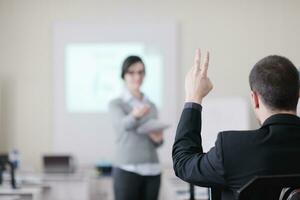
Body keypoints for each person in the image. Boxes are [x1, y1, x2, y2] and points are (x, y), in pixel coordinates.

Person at [172, 49, 300, 200]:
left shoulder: (232, 149)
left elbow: (183, 163)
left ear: (255, 99)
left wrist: (193, 97)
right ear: (298, 94)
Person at [109, 55, 163, 200]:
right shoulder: (116, 104)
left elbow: (157, 141)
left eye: (140, 72)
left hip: (152, 170)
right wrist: (135, 115)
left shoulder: (151, 105)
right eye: (131, 72)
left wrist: (158, 139)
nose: (137, 76)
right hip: (127, 169)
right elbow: (123, 125)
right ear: (124, 75)